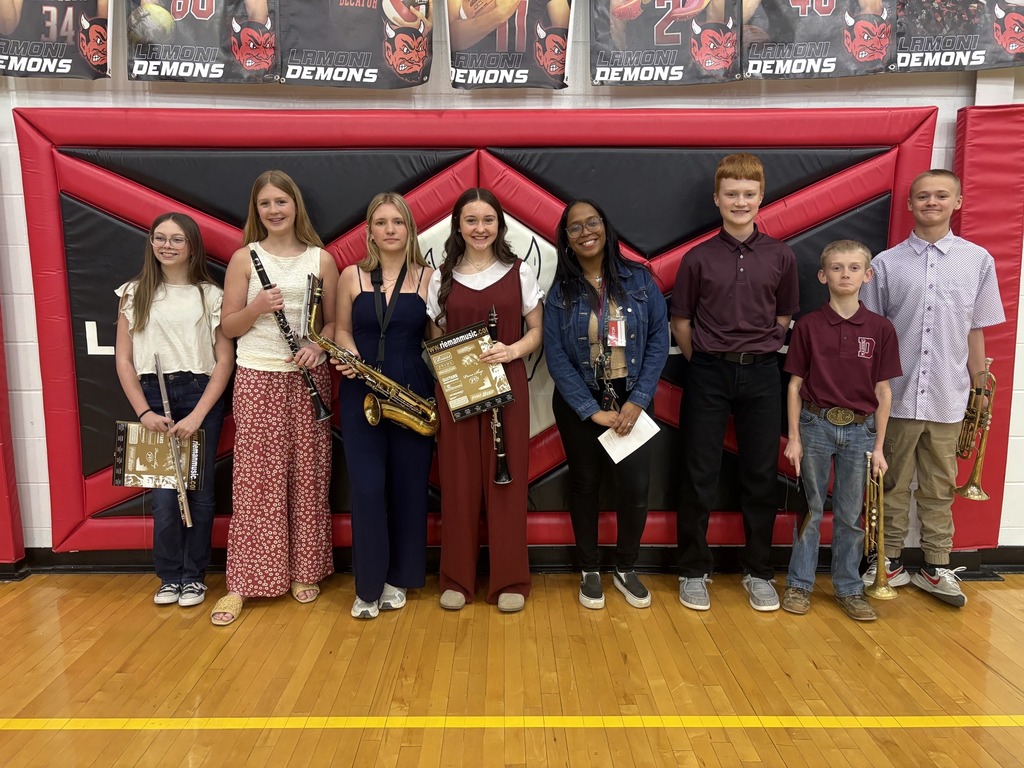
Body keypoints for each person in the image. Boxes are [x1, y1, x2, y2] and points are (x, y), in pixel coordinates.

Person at [861, 169, 1005, 608]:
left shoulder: (978, 260)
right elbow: (872, 332)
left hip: (949, 393)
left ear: (957, 202)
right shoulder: (886, 263)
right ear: (910, 205)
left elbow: (976, 330)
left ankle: (936, 565)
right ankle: (887, 561)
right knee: (892, 483)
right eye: (923, 196)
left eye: (941, 196)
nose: (932, 202)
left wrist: (979, 387)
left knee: (941, 485)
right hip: (897, 396)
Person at [670, 152, 800, 613]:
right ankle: (692, 569)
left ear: (761, 198)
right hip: (708, 370)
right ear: (717, 199)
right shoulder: (698, 257)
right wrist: (705, 360)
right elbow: (681, 320)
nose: (740, 201)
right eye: (731, 194)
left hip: (763, 373)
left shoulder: (781, 255)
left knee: (761, 474)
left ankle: (759, 571)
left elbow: (784, 317)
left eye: (748, 194)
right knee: (699, 471)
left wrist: (754, 353)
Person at [211, 170, 340, 626]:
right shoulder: (243, 259)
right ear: (257, 210)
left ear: (295, 205)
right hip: (257, 377)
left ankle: (306, 570)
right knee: (256, 482)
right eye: (265, 203)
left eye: (281, 202)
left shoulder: (322, 260)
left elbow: (333, 324)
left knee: (308, 476)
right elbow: (228, 327)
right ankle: (246, 581)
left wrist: (317, 346)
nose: (274, 210)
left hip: (306, 378)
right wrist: (256, 309)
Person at [544, 199, 668, 610]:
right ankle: (589, 567)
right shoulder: (561, 292)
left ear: (605, 226)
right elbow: (556, 355)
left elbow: (657, 342)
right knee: (584, 486)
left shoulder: (639, 280)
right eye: (574, 228)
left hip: (630, 396)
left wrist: (639, 400)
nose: (585, 232)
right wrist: (589, 409)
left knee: (634, 488)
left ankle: (626, 566)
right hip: (582, 402)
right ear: (566, 239)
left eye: (591, 222)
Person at [427, 188, 543, 613]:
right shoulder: (440, 276)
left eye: (488, 220)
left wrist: (510, 351)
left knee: (506, 482)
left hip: (508, 385)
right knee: (458, 483)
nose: (480, 228)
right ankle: (457, 578)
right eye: (471, 220)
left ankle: (510, 578)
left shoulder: (520, 271)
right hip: (457, 388)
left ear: (500, 224)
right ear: (458, 224)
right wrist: (453, 371)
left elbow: (536, 331)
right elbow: (435, 337)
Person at [115, 213, 233, 608]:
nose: (167, 245)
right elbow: (124, 361)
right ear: (151, 243)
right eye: (160, 238)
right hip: (154, 398)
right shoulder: (134, 292)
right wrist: (144, 412)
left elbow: (223, 362)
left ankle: (193, 576)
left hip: (200, 398)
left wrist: (198, 415)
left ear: (192, 246)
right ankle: (169, 576)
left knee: (199, 495)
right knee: (165, 496)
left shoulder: (209, 295)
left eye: (177, 239)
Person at [781, 240, 901, 621]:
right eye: (836, 267)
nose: (844, 274)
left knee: (851, 515)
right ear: (822, 275)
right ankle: (799, 584)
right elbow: (795, 386)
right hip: (815, 426)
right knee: (811, 511)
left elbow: (884, 392)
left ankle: (849, 588)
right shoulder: (808, 326)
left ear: (867, 275)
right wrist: (795, 438)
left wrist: (880, 447)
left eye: (853, 268)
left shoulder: (881, 329)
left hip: (862, 432)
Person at [334, 193, 435, 619]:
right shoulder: (350, 275)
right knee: (368, 488)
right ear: (369, 230)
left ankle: (400, 577)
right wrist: (349, 355)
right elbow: (339, 327)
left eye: (398, 222)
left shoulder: (429, 276)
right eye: (381, 222)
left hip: (412, 386)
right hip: (363, 388)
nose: (390, 229)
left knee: (410, 488)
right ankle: (368, 585)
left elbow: (436, 335)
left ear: (409, 229)